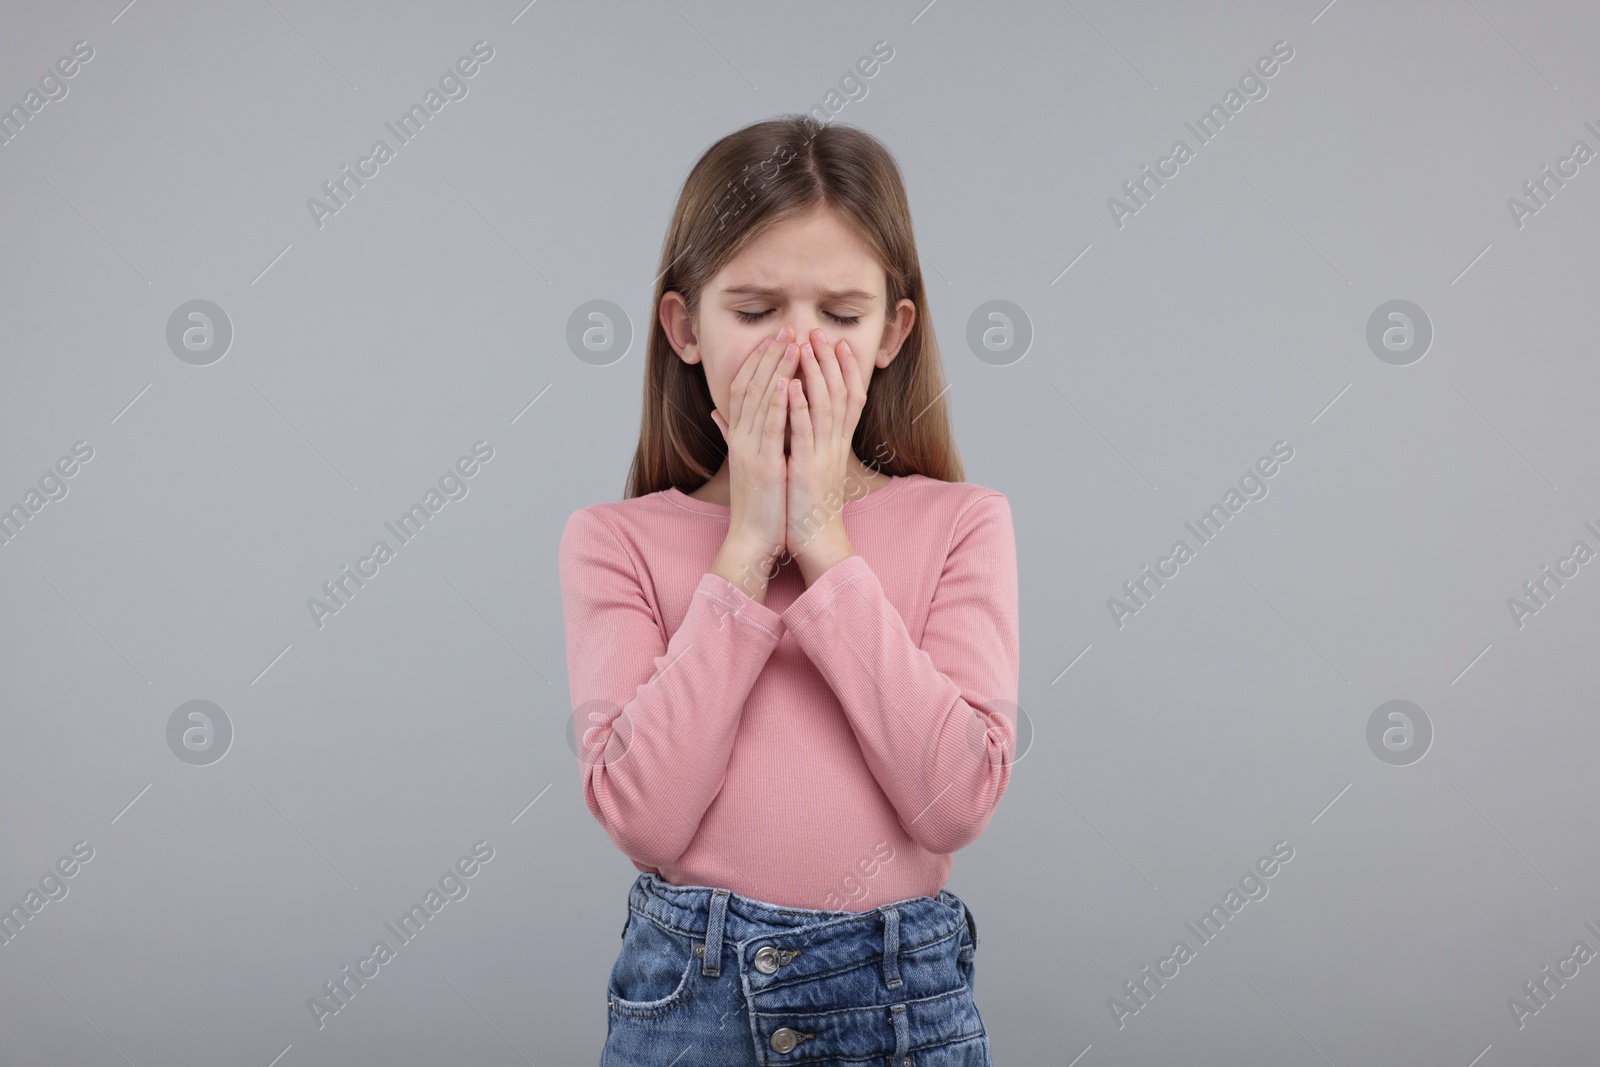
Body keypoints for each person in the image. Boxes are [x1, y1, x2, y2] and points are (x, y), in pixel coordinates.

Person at [558, 113, 1018, 1066]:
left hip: (898, 1000)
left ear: (894, 332)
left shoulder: (963, 523)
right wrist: (747, 547)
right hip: (694, 1002)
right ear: (686, 328)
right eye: (757, 312)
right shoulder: (616, 542)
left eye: (840, 317)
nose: (801, 351)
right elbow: (644, 815)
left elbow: (955, 803)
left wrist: (819, 539)